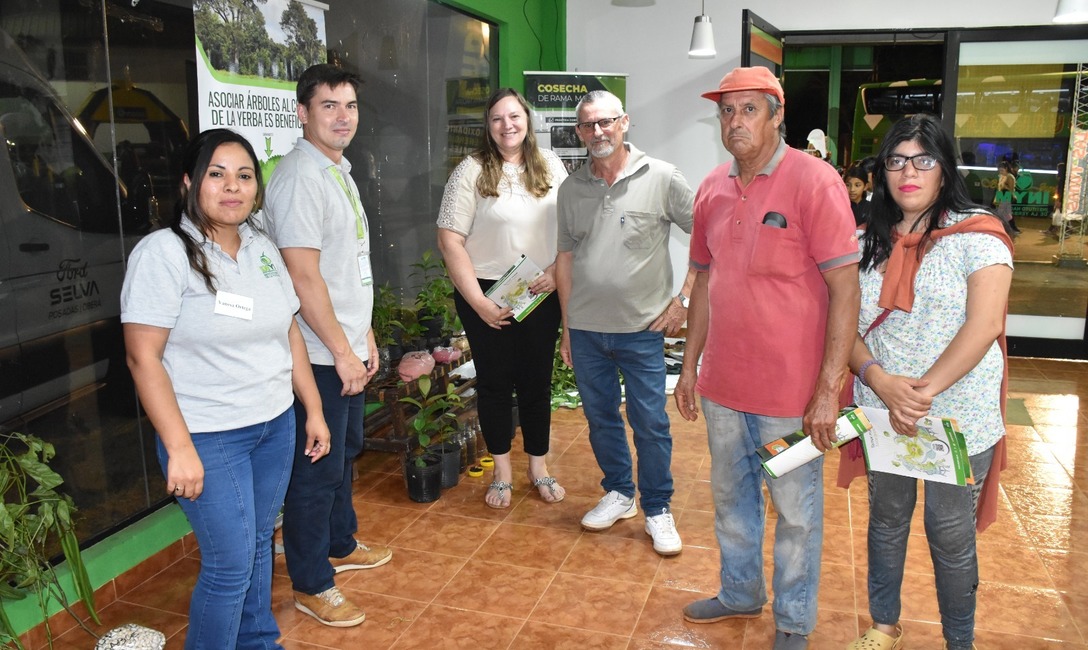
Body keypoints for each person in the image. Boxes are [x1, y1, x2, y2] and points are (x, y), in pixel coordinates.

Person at [673, 66, 860, 650]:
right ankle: (740, 592)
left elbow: (845, 290)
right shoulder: (711, 187)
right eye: (727, 111)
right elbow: (702, 282)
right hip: (725, 389)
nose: (735, 121)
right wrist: (689, 367)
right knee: (730, 500)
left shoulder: (815, 181)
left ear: (778, 115)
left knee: (795, 513)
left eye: (749, 109)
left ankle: (794, 622)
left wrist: (828, 389)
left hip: (790, 398)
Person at [122, 128, 331, 649]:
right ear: (191, 183)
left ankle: (258, 640)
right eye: (217, 174)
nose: (232, 187)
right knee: (228, 565)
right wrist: (178, 448)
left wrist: (313, 408)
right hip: (208, 434)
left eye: (244, 176)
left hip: (273, 425)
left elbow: (288, 332)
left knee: (260, 544)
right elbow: (141, 357)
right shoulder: (164, 254)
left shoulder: (261, 247)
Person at [841, 114, 1013, 650]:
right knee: (887, 522)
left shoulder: (978, 235)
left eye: (923, 159)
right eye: (895, 160)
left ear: (945, 167)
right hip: (884, 408)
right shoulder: (863, 237)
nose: (907, 172)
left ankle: (960, 642)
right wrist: (880, 381)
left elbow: (985, 325)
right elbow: (839, 327)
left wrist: (919, 392)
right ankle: (883, 625)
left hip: (956, 418)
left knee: (951, 534)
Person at [264, 63, 392, 628]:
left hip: (343, 343)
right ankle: (312, 583)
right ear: (302, 113)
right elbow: (304, 278)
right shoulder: (298, 178)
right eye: (329, 106)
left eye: (351, 106)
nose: (343, 117)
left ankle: (340, 541)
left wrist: (364, 334)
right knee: (315, 471)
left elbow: (348, 266)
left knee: (343, 455)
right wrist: (341, 351)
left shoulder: (338, 170)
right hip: (316, 357)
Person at [555, 89, 695, 556]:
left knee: (650, 422)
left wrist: (684, 300)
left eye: (604, 123)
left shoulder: (661, 177)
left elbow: (710, 238)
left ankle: (657, 508)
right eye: (587, 126)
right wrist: (566, 327)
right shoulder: (571, 188)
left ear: (624, 122)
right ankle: (619, 493)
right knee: (600, 419)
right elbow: (565, 258)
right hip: (587, 330)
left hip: (642, 330)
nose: (596, 133)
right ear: (578, 133)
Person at [436, 88, 567, 508]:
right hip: (486, 293)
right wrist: (479, 303)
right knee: (493, 385)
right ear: (487, 125)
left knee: (536, 384)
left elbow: (570, 231)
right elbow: (449, 240)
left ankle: (539, 467)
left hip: (539, 291)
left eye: (514, 116)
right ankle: (503, 472)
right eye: (497, 118)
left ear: (527, 120)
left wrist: (553, 274)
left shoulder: (552, 165)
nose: (507, 125)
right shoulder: (470, 171)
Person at [994, 160, 1020, 233]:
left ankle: (1005, 228)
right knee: (1007, 213)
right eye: (999, 170)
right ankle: (1012, 228)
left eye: (1002, 170)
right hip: (1001, 194)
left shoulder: (1010, 176)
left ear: (1006, 168)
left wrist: (1005, 186)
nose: (1000, 171)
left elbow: (1011, 189)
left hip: (1007, 195)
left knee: (1001, 212)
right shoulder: (1001, 176)